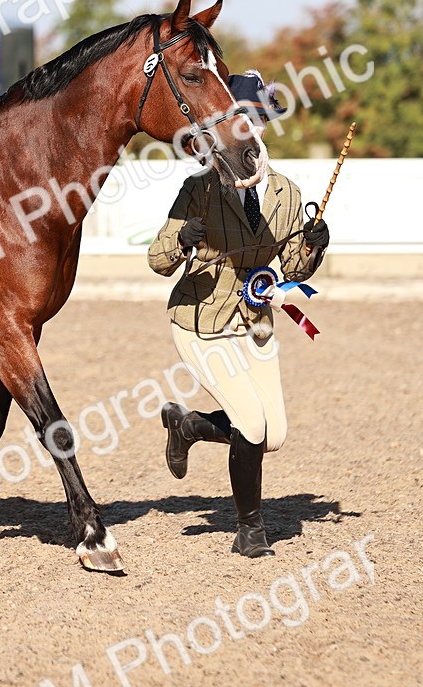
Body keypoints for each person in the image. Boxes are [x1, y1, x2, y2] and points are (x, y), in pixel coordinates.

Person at [146, 70, 330, 558]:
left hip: (256, 322)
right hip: (201, 322)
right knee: (249, 424)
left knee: (274, 436)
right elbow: (158, 261)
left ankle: (188, 426)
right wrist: (180, 240)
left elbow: (293, 268)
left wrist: (315, 247)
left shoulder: (287, 194)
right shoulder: (198, 189)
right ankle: (251, 529)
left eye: (254, 118)